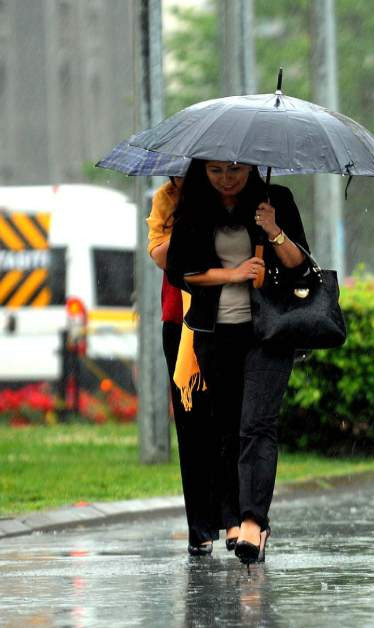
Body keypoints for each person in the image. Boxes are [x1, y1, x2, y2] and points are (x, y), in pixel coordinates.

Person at [166, 159, 309, 566]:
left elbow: (301, 265)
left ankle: (253, 522)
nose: (226, 179)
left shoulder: (275, 199)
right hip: (215, 335)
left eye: (234, 170)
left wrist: (274, 231)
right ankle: (231, 516)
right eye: (215, 171)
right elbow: (181, 271)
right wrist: (231, 275)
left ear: (250, 167)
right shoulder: (194, 208)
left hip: (267, 332)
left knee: (258, 424)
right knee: (227, 427)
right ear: (202, 173)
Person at [147, 177, 221, 556]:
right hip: (180, 323)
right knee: (191, 426)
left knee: (226, 422)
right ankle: (201, 528)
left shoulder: (232, 194)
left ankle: (238, 518)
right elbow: (160, 255)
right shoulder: (168, 199)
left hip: (229, 319)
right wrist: (188, 224)